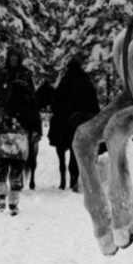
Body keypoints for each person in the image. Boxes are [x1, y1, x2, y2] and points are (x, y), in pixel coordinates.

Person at [0, 80, 42, 215]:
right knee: (16, 174)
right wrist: (32, 141)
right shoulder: (30, 107)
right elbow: (36, 130)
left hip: (3, 144)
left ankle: (1, 199)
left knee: (1, 173)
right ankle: (14, 203)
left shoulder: (3, 105)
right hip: (20, 145)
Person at [47, 57, 101, 192]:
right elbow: (93, 102)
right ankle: (74, 180)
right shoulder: (86, 81)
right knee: (75, 151)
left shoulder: (65, 81)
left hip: (66, 120)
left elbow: (57, 101)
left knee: (60, 139)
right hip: (82, 119)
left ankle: (64, 179)